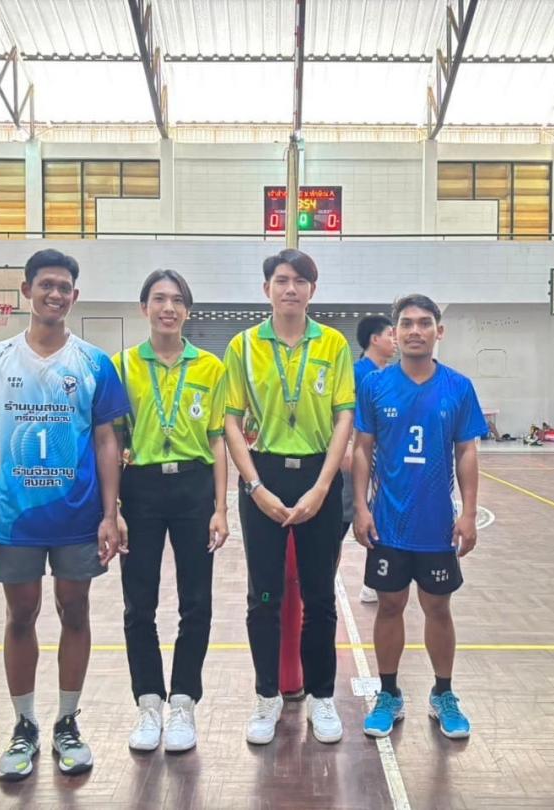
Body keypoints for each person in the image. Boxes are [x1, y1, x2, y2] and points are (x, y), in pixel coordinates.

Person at [0, 249, 130, 781]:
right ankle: (24, 725)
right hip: (14, 518)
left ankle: (67, 722)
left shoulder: (94, 363)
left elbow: (107, 440)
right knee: (21, 614)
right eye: (46, 285)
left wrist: (110, 513)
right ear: (27, 290)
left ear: (74, 296)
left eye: (64, 287)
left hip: (78, 515)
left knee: (74, 610)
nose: (55, 294)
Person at [223, 248, 355, 746]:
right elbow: (230, 419)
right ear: (267, 289)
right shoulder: (243, 345)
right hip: (265, 472)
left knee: (320, 596)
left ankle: (322, 696)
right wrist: (254, 486)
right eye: (281, 280)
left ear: (312, 290)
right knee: (264, 596)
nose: (291, 289)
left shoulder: (333, 344)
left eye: (300, 281)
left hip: (319, 473)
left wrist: (323, 486)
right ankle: (267, 696)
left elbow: (344, 415)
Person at [352, 294, 487, 741]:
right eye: (406, 323)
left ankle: (443, 694)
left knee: (438, 608)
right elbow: (362, 449)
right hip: (388, 523)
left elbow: (466, 451)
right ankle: (388, 693)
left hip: (436, 525)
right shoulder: (375, 386)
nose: (415, 330)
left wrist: (468, 513)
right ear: (394, 333)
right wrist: (360, 507)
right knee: (389, 606)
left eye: (424, 323)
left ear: (438, 331)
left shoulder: (458, 387)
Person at [114, 269, 229, 754]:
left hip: (193, 487)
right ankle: (148, 702)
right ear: (144, 307)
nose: (168, 307)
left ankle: (183, 701)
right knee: (138, 603)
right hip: (139, 488)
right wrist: (113, 508)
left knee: (196, 601)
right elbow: (111, 440)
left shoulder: (211, 368)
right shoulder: (121, 365)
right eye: (159, 299)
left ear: (188, 310)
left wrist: (221, 507)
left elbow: (218, 439)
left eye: (177, 300)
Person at [349, 314, 396, 605]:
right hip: (354, 458)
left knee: (380, 517)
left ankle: (373, 581)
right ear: (374, 339)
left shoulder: (392, 376)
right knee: (346, 519)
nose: (395, 340)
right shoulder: (356, 374)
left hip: (384, 461)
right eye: (391, 334)